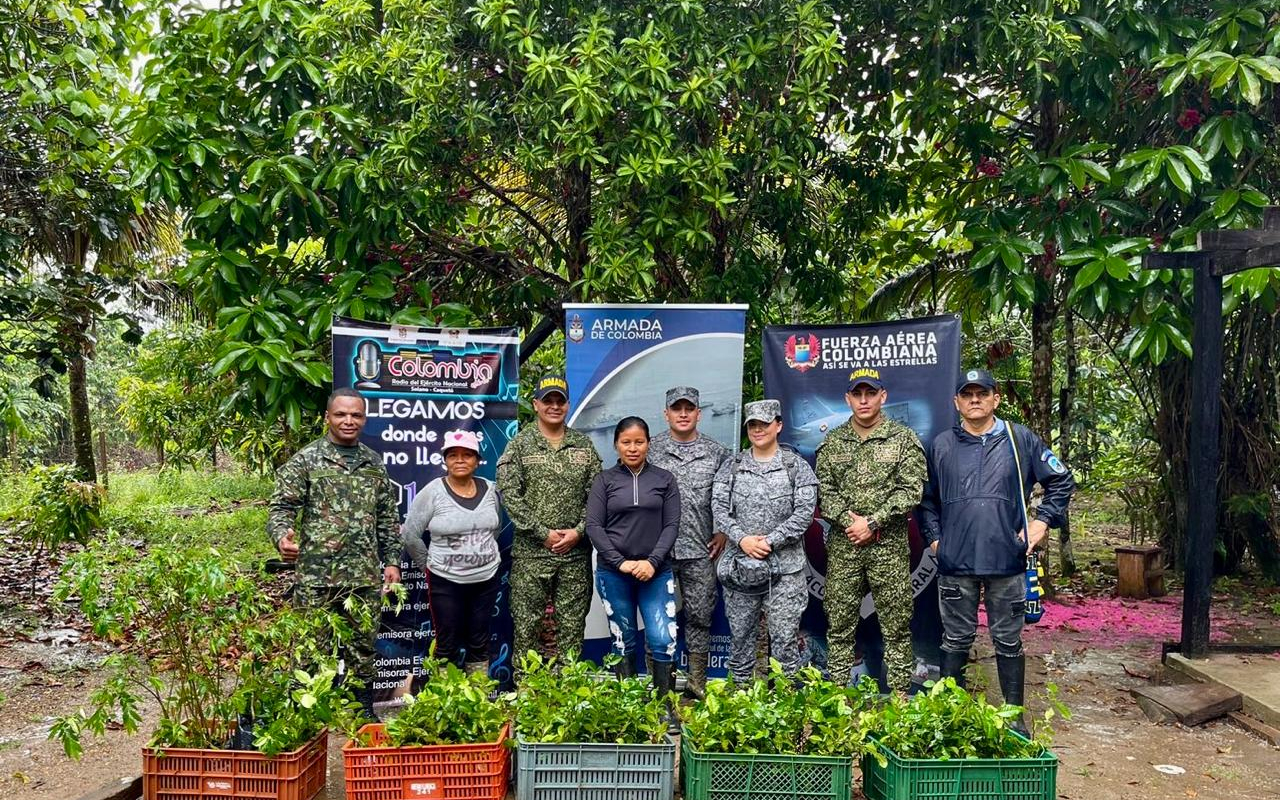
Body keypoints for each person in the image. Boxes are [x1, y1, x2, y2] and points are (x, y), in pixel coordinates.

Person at [919, 368, 1075, 733]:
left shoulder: (1020, 440)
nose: (975, 400)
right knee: (955, 638)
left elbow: (1061, 480)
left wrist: (1041, 522)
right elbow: (925, 501)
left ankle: (1014, 717)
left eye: (982, 393)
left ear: (996, 399)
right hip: (956, 563)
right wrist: (936, 540)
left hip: (1007, 559)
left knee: (1008, 639)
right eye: (967, 394)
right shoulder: (940, 445)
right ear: (956, 402)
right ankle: (949, 716)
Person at [267, 387, 402, 720]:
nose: (348, 421)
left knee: (362, 648)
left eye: (356, 415)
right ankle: (307, 716)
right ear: (327, 417)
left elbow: (387, 517)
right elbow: (281, 506)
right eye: (341, 414)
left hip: (363, 577)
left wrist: (393, 561)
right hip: (316, 577)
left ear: (364, 418)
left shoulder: (373, 463)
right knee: (311, 650)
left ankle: (361, 711)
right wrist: (281, 536)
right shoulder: (307, 459)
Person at [816, 368, 927, 693]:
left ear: (883, 396)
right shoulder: (834, 441)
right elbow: (823, 491)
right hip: (845, 548)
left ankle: (900, 702)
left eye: (870, 393)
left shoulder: (903, 439)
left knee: (896, 627)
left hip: (888, 549)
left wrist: (873, 522)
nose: (864, 400)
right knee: (839, 626)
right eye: (857, 394)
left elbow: (911, 490)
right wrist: (853, 523)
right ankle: (838, 699)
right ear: (848, 399)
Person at [496, 374, 602, 665]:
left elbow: (597, 496)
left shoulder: (583, 446)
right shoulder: (519, 445)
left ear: (567, 405)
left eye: (560, 401)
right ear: (536, 404)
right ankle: (528, 692)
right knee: (527, 626)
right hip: (532, 554)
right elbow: (510, 495)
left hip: (575, 555)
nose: (554, 406)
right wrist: (542, 533)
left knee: (571, 627)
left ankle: (570, 693)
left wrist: (579, 532)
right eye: (548, 400)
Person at [585, 416, 682, 730]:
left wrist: (652, 561)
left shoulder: (665, 480)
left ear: (649, 443)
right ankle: (628, 704)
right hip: (615, 574)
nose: (632, 447)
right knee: (623, 638)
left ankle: (664, 704)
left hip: (657, 571)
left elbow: (671, 526)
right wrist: (620, 562)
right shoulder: (604, 481)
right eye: (626, 442)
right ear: (616, 444)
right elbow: (594, 527)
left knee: (662, 638)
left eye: (639, 441)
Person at [712, 399, 818, 684]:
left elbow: (804, 514)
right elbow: (719, 510)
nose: (758, 430)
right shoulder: (732, 467)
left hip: (785, 572)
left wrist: (769, 541)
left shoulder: (796, 467)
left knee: (784, 644)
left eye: (764, 424)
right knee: (741, 643)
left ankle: (785, 716)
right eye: (753, 425)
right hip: (741, 569)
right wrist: (743, 539)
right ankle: (740, 713)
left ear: (778, 425)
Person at [647, 386, 730, 699]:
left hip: (700, 551)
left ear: (698, 413)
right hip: (658, 552)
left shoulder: (717, 452)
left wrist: (722, 530)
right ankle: (661, 688)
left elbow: (726, 496)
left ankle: (697, 685)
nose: (683, 414)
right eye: (676, 408)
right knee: (659, 621)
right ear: (666, 413)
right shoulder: (650, 449)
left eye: (689, 408)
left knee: (700, 617)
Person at [401, 429, 502, 677]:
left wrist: (478, 553)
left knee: (479, 640)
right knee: (447, 643)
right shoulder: (432, 492)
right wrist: (432, 565)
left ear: (477, 461)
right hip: (446, 582)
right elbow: (411, 535)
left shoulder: (491, 490)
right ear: (444, 460)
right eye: (453, 455)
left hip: (486, 579)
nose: (460, 460)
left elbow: (495, 528)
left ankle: (477, 699)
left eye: (467, 455)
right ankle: (445, 700)